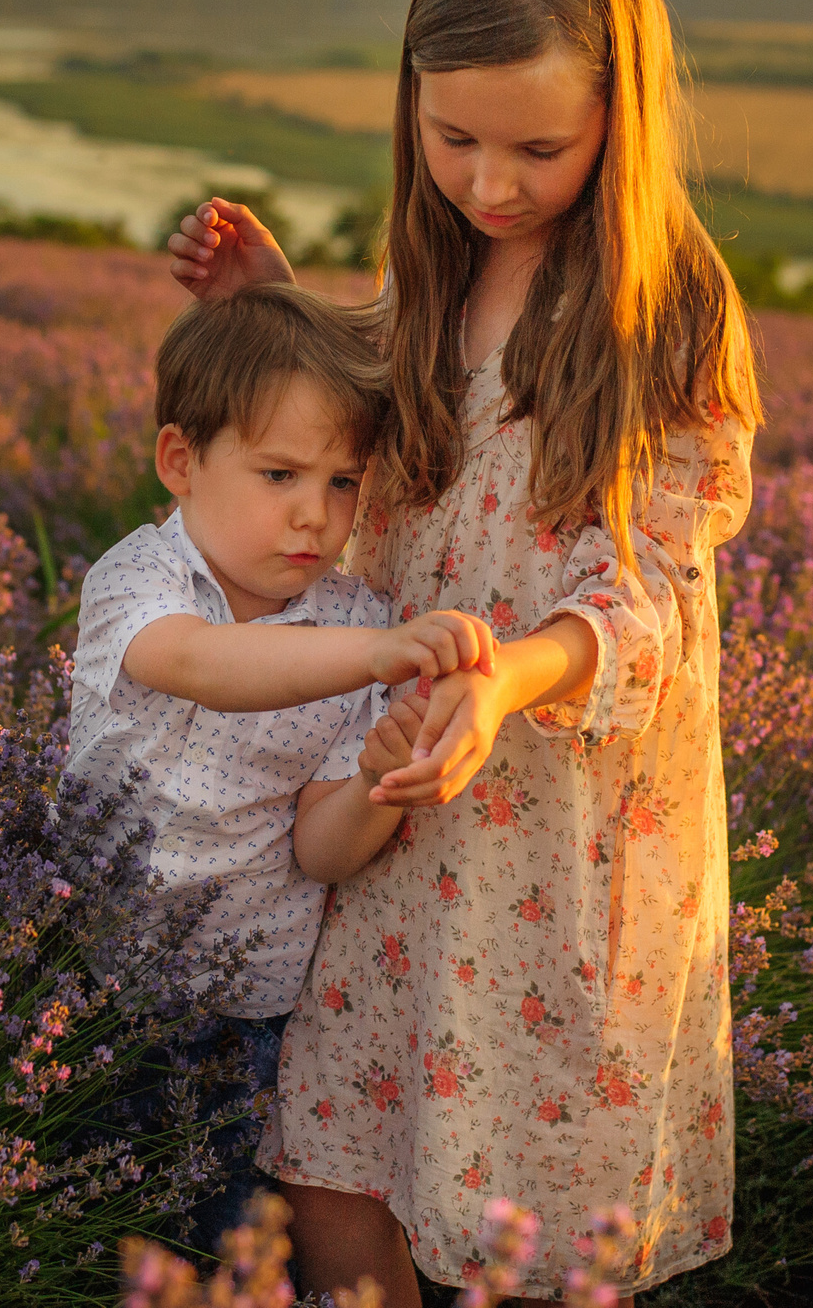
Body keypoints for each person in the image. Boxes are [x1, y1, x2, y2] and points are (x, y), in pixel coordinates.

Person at [165, 0, 761, 1302]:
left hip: (555, 820)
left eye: (538, 150)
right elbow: (382, 447)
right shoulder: (431, 267)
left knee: (526, 1191)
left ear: (618, 118)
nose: (490, 183)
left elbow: (656, 590)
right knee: (338, 1158)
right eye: (454, 139)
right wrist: (278, 310)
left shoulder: (668, 308)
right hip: (394, 779)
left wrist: (507, 679)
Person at [63, 280, 500, 1256]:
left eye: (343, 483)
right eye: (279, 475)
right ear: (181, 462)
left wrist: (380, 781)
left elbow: (319, 852)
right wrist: (377, 658)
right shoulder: (139, 578)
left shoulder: (352, 621)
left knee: (210, 1241)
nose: (314, 515)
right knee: (67, 1224)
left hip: (241, 1004)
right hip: (86, 974)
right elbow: (201, 665)